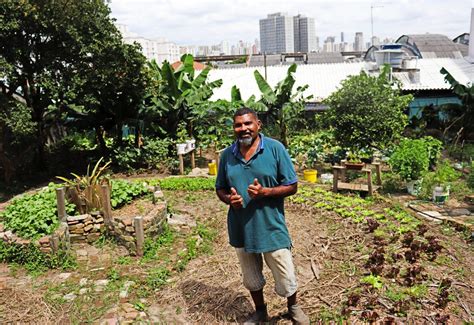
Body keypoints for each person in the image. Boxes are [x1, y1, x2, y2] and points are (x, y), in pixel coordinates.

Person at [215, 108, 310, 324]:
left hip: (271, 225)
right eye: (238, 125)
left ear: (258, 124)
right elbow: (220, 188)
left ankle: (293, 307)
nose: (243, 129)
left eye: (248, 124)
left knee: (285, 273)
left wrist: (266, 192)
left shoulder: (275, 149)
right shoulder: (227, 156)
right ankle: (260, 311)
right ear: (234, 128)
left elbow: (292, 185)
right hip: (241, 226)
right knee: (251, 276)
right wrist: (229, 200)